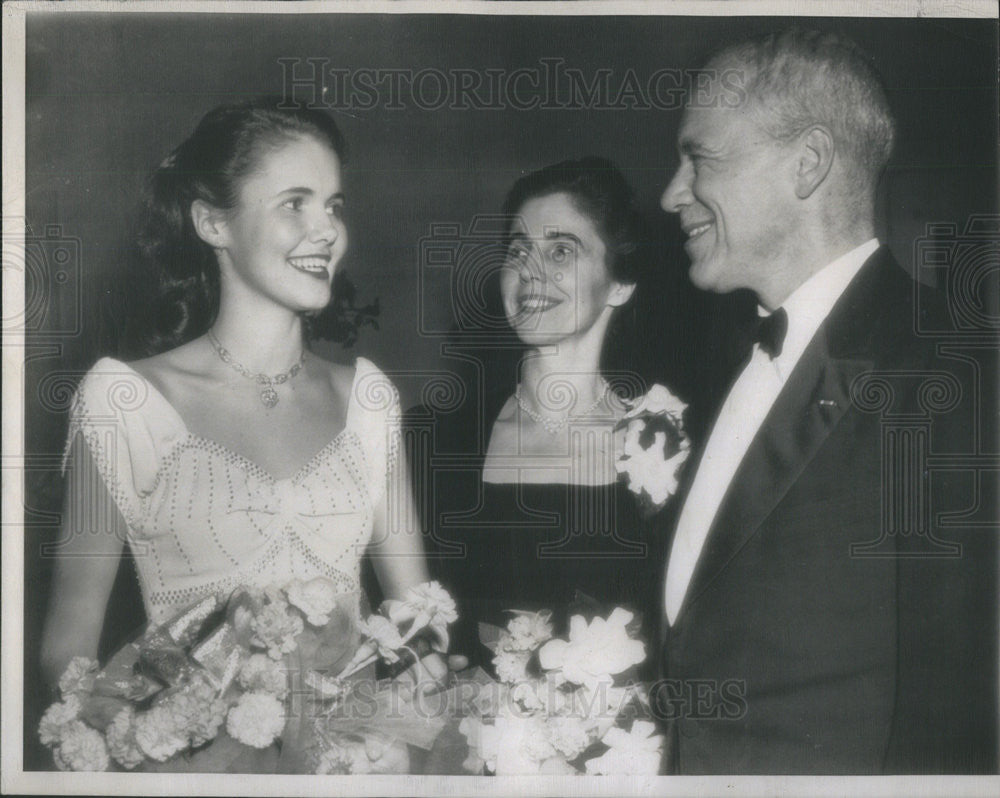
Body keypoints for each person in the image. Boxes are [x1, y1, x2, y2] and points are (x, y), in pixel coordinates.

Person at [656, 29, 997, 774]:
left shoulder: (959, 372)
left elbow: (960, 717)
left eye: (699, 158)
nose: (671, 193)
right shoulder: (716, 365)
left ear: (807, 163)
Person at [40, 99, 448, 700]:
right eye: (294, 203)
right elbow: (66, 651)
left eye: (334, 206)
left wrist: (417, 708)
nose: (328, 230)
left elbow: (418, 621)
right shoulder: (124, 401)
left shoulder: (368, 399)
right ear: (213, 224)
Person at [413, 157, 665, 669]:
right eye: (518, 251)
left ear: (620, 284)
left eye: (561, 251)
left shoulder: (665, 446)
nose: (530, 272)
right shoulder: (434, 440)